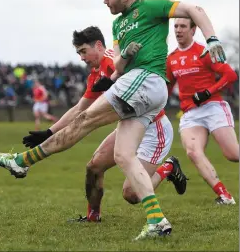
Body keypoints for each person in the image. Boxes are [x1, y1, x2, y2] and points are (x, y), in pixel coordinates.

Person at [0, 0, 227, 240]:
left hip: (146, 81)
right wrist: (126, 57)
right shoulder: (118, 26)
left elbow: (194, 9)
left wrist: (212, 39)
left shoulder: (150, 7)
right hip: (137, 88)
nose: (104, 1)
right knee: (123, 156)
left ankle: (22, 161)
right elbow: (119, 68)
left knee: (84, 122)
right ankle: (157, 220)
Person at [21, 26, 187, 222]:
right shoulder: (96, 73)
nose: (81, 58)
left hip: (153, 128)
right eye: (78, 53)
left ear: (98, 46)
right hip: (128, 127)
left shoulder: (113, 62)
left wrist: (116, 80)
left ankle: (169, 167)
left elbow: (141, 79)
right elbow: (79, 109)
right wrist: (49, 131)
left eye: (83, 51)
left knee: (131, 195)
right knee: (94, 166)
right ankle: (93, 216)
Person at [166, 18, 238, 205]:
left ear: (193, 29)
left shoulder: (204, 52)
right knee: (193, 152)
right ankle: (224, 196)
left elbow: (230, 75)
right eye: (176, 26)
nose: (178, 30)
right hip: (191, 113)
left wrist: (208, 92)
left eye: (183, 26)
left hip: (213, 106)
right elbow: (165, 89)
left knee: (233, 155)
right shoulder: (171, 58)